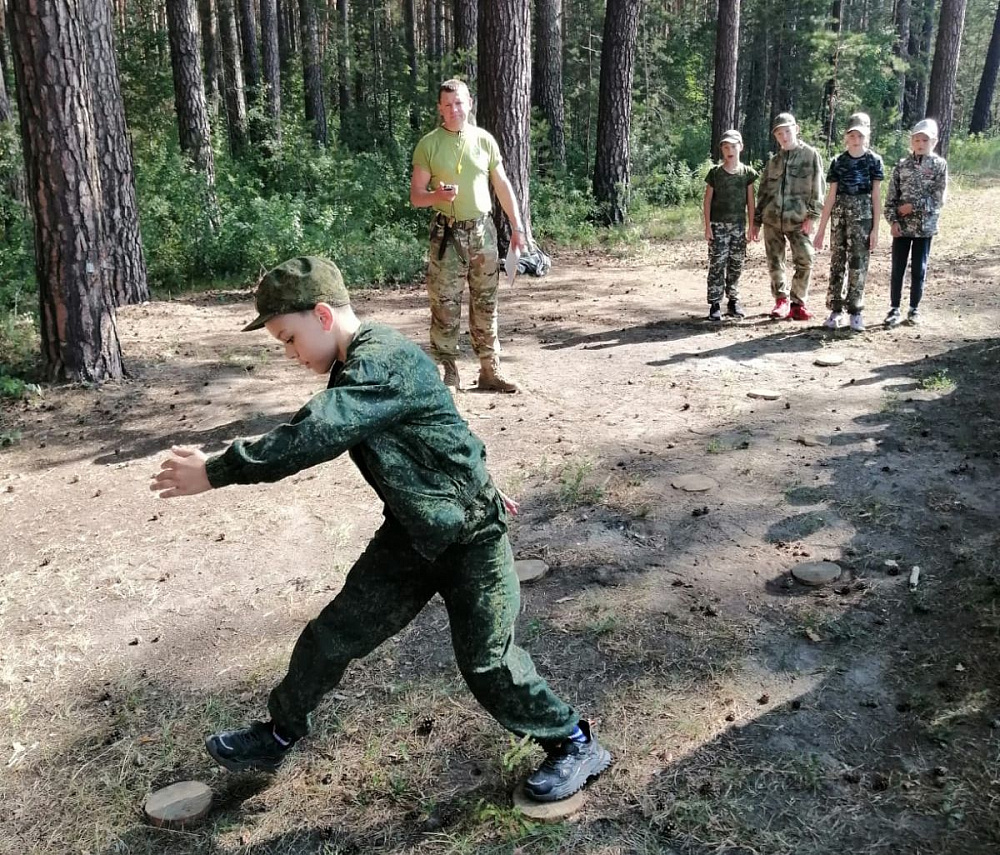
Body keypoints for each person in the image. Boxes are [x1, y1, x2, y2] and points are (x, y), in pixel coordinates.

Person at [149, 256, 611, 803]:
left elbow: (315, 433)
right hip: (412, 536)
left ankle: (575, 742)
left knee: (488, 662)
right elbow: (445, 429)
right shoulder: (356, 365)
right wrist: (477, 475)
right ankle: (278, 733)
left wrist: (215, 470)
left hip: (469, 539)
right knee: (334, 633)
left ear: (323, 315)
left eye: (288, 338)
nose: (290, 355)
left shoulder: (380, 363)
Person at [410, 78, 525, 393]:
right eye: (447, 105)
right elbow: (417, 196)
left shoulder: (484, 140)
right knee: (445, 305)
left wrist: (517, 228)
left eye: (459, 102)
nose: (454, 109)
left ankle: (490, 370)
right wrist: (437, 196)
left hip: (482, 232)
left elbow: (501, 184)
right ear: (440, 109)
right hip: (447, 235)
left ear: (469, 103)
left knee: (486, 303)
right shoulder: (429, 144)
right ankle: (449, 373)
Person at [813, 112, 884, 332]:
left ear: (867, 136)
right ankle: (835, 310)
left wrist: (875, 230)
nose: (856, 139)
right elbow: (831, 196)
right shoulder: (838, 162)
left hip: (863, 219)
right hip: (840, 218)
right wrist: (821, 229)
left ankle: (855, 311)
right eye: (852, 135)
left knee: (858, 264)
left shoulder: (874, 161)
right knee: (837, 262)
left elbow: (876, 196)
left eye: (860, 135)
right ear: (846, 137)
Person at [751, 113, 825, 321]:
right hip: (772, 220)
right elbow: (763, 192)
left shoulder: (810, 155)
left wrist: (812, 216)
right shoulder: (773, 162)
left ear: (796, 129)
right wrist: (756, 221)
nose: (784, 136)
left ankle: (797, 303)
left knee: (806, 260)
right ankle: (781, 300)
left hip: (798, 220)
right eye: (779, 133)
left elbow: (818, 188)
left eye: (787, 131)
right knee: (775, 262)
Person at [882, 118, 948, 327]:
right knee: (898, 268)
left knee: (919, 268)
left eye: (925, 140)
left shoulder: (939, 165)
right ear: (911, 142)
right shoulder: (902, 166)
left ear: (934, 142)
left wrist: (915, 206)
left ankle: (914, 308)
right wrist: (893, 221)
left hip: (924, 227)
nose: (920, 143)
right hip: (902, 228)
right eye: (917, 139)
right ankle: (894, 308)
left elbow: (939, 198)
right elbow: (891, 199)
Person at [702, 129, 758, 322]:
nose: (729, 150)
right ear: (722, 151)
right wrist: (708, 227)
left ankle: (733, 300)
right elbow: (707, 200)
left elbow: (751, 202)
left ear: (740, 147)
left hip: (738, 227)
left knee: (736, 264)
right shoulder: (715, 173)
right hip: (718, 226)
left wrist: (752, 227)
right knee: (717, 264)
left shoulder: (747, 174)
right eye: (725, 147)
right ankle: (715, 303)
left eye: (733, 146)